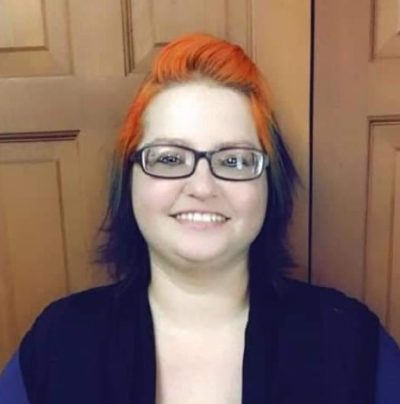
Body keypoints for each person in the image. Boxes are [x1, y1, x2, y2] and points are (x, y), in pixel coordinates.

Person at [0, 33, 399, 404]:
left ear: (270, 185)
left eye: (235, 160)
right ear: (129, 179)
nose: (203, 187)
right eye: (170, 158)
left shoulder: (350, 342)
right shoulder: (59, 342)